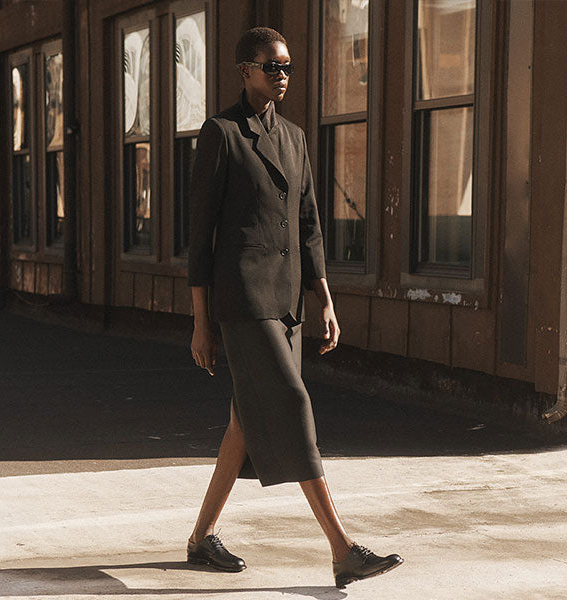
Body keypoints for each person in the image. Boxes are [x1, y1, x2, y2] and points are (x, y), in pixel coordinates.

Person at [186, 26, 403, 589]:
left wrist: (324, 296)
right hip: (243, 298)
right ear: (245, 71)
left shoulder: (296, 138)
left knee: (244, 421)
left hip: (287, 302)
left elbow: (309, 224)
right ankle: (341, 546)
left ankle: (199, 537)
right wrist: (201, 321)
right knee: (290, 404)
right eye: (271, 67)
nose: (282, 76)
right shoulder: (221, 133)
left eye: (287, 68)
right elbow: (200, 235)